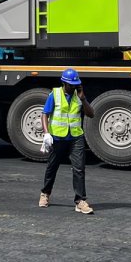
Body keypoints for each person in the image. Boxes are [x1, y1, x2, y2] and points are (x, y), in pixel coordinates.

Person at [39, 68, 95, 214]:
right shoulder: (55, 94)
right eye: (72, 85)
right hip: (57, 138)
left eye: (77, 84)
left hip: (76, 137)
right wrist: (46, 134)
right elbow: (45, 114)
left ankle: (80, 201)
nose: (74, 87)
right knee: (52, 166)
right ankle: (45, 193)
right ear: (64, 83)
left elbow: (91, 114)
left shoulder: (78, 96)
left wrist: (83, 98)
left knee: (79, 168)